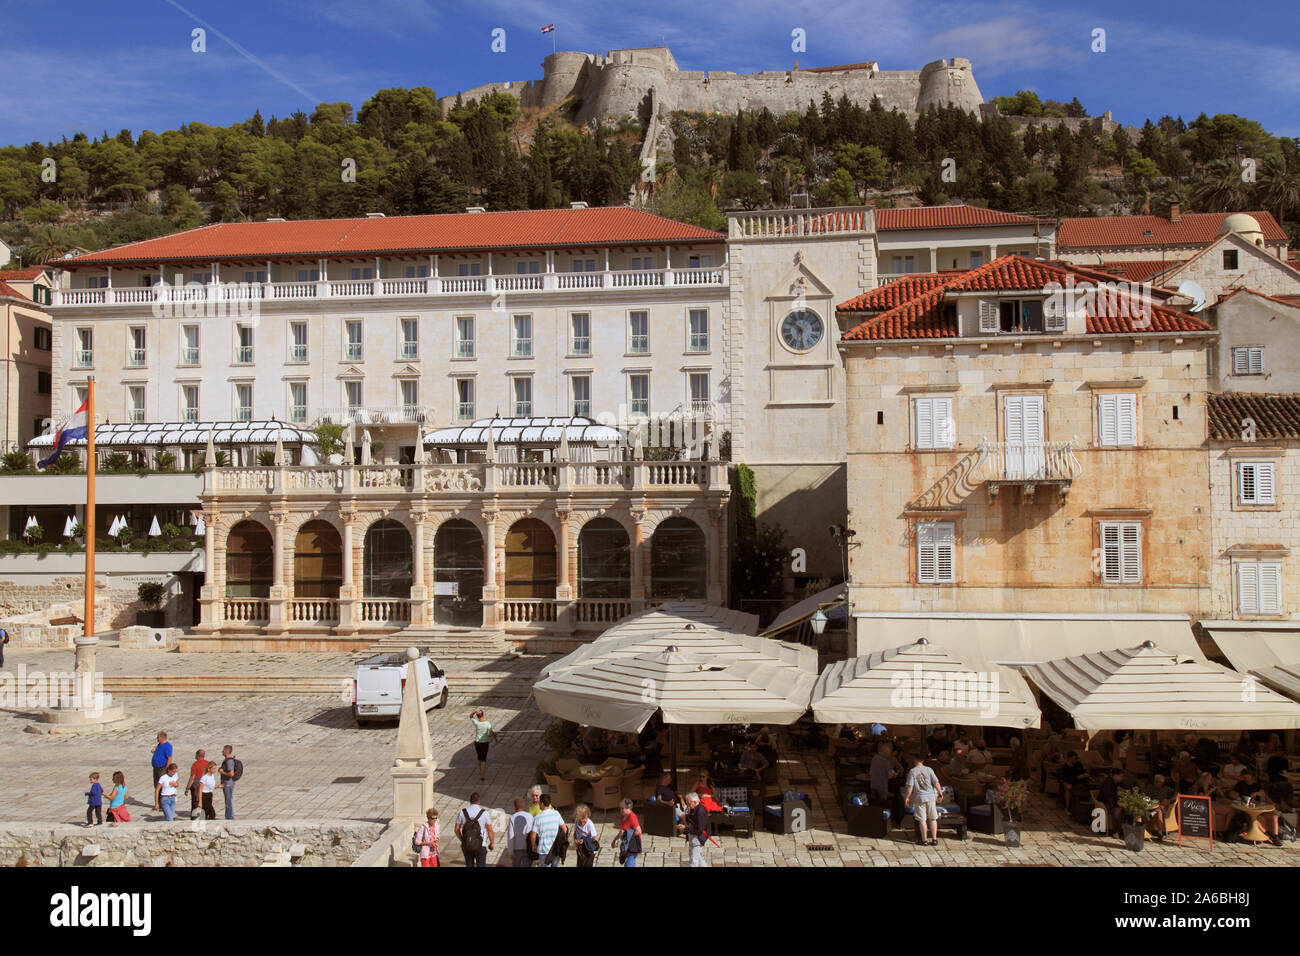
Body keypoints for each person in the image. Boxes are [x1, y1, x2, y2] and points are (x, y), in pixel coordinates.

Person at [903, 755, 942, 847]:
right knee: (933, 818)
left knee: (922, 819)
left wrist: (907, 797)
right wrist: (940, 793)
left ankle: (924, 840)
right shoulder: (929, 769)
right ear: (923, 761)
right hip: (931, 797)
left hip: (920, 797)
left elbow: (910, 786)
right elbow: (936, 783)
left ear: (915, 760)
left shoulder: (912, 771)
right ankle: (934, 839)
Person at [454, 792, 493, 866]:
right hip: (481, 845)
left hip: (467, 844)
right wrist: (492, 842)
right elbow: (489, 830)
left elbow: (456, 829)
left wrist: (463, 840)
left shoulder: (462, 812)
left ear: (470, 801)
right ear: (479, 801)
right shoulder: (484, 813)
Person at [531, 794, 567, 867]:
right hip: (555, 849)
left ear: (542, 803)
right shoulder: (556, 814)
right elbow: (564, 829)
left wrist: (533, 845)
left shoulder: (537, 818)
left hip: (544, 850)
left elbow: (533, 835)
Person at [678, 792, 710, 867]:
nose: (688, 806)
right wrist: (688, 815)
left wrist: (685, 828)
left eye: (689, 804)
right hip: (694, 838)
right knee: (699, 859)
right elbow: (691, 822)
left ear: (695, 802)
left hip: (697, 840)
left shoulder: (700, 812)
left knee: (693, 861)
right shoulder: (694, 809)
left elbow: (699, 830)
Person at [469, 710, 499, 783]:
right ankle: (482, 774)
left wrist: (474, 711)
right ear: (483, 715)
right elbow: (491, 732)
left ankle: (480, 771)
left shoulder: (476, 723)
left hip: (477, 742)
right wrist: (495, 738)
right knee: (484, 759)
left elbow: (470, 716)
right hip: (485, 742)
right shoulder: (487, 723)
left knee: (479, 757)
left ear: (477, 716)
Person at [613, 798, 643, 867]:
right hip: (627, 844)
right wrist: (614, 840)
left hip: (633, 845)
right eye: (620, 808)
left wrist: (626, 834)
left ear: (628, 808)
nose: (621, 810)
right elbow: (621, 831)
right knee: (629, 863)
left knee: (629, 864)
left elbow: (639, 831)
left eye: (622, 808)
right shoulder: (624, 817)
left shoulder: (632, 817)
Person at [1144, 774, 1175, 841]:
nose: (1158, 784)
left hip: (1162, 807)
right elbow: (1145, 797)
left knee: (1164, 802)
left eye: (1160, 783)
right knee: (1159, 811)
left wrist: (1170, 800)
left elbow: (1175, 794)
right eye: (1157, 782)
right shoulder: (1150, 788)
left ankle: (1160, 833)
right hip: (1152, 806)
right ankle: (1160, 833)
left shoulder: (1166, 789)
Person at [1097, 767, 1124, 838]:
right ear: (1115, 776)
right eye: (1121, 776)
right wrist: (1117, 805)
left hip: (1112, 803)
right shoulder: (1108, 783)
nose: (1122, 778)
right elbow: (1107, 797)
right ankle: (1115, 831)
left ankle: (1123, 829)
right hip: (1104, 804)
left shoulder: (1117, 783)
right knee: (1116, 812)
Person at [507, 796, 534, 867]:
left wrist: (510, 852)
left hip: (517, 848)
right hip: (528, 848)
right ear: (523, 805)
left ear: (515, 806)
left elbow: (510, 836)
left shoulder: (512, 818)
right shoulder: (530, 816)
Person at [185, 749, 207, 818]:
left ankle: (195, 816)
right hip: (206, 783)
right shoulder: (208, 763)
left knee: (196, 800)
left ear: (197, 755)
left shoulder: (195, 764)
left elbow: (192, 777)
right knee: (204, 799)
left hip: (197, 783)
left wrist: (187, 788)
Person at [218, 745, 237, 821]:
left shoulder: (229, 761)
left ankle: (230, 817)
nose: (222, 751)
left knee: (229, 801)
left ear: (227, 751)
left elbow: (231, 774)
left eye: (223, 750)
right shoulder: (227, 760)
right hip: (227, 783)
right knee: (227, 800)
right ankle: (228, 816)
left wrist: (222, 772)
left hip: (228, 784)